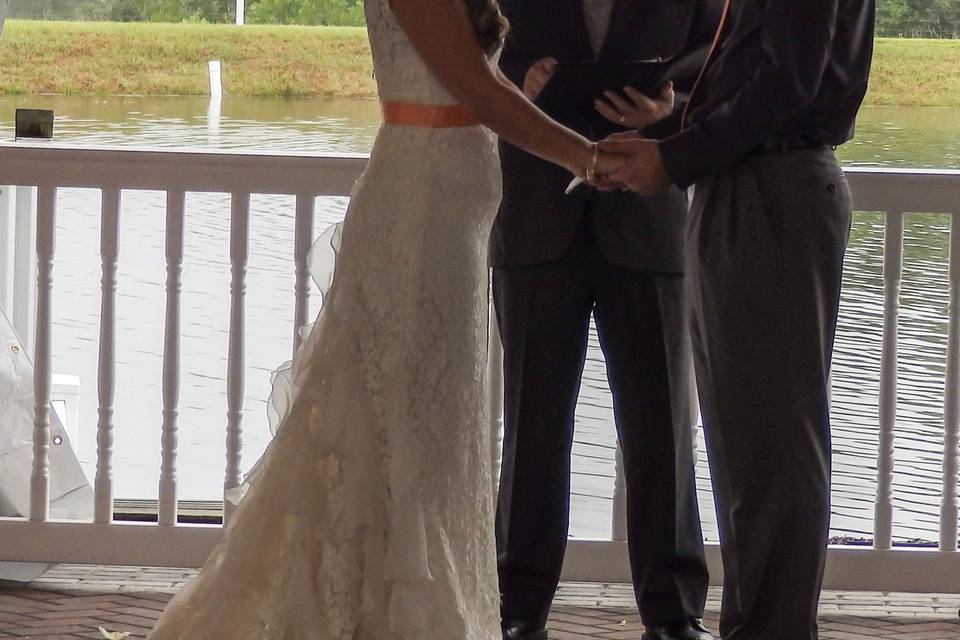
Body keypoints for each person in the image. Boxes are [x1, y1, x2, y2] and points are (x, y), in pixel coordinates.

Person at [145, 0, 622, 638]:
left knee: (437, 419)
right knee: (400, 414)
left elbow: (485, 80)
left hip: (453, 212)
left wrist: (539, 107)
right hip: (418, 209)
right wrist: (584, 157)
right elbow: (475, 90)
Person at [598, 1, 876, 638]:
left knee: (769, 443)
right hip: (757, 186)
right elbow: (760, 71)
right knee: (751, 439)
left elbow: (787, 83)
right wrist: (677, 119)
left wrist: (673, 158)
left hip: (769, 191)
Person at [491, 2, 722, 639]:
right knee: (531, 425)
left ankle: (674, 614)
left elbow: (721, 51)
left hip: (650, 221)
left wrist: (671, 110)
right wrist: (513, 82)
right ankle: (516, 609)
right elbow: (467, 52)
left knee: (663, 430)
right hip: (535, 218)